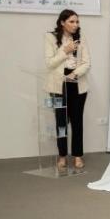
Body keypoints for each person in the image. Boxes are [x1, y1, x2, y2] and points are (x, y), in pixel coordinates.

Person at [43, 9, 91, 169]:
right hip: (58, 86)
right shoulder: (50, 37)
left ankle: (77, 155)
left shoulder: (81, 38)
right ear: (62, 22)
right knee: (61, 122)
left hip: (77, 84)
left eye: (77, 21)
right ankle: (62, 155)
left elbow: (87, 62)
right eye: (71, 21)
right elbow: (50, 63)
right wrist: (65, 51)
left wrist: (74, 74)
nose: (75, 25)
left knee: (77, 122)